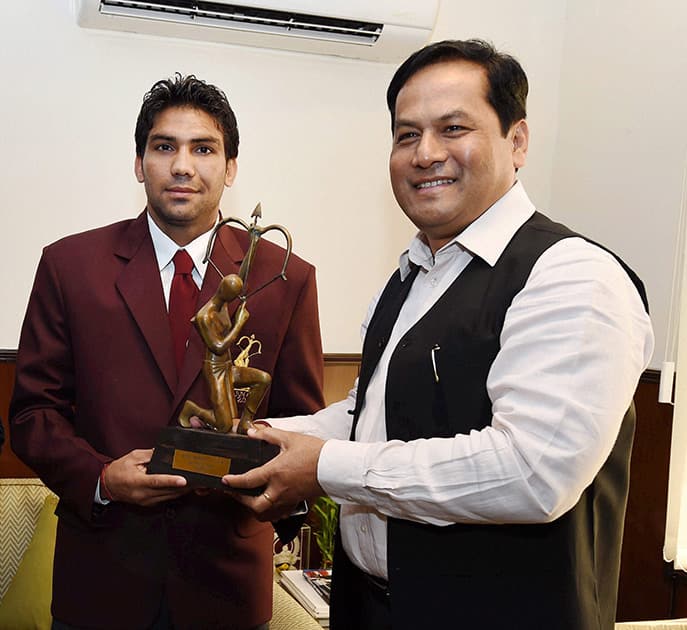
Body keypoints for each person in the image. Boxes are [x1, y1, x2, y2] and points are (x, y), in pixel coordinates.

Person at [224, 40, 654, 629]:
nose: (425, 154)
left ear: (518, 140)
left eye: (453, 128)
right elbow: (370, 411)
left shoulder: (574, 275)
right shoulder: (406, 279)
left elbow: (531, 472)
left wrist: (326, 467)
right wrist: (259, 437)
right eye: (406, 135)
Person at [10, 73, 324, 630]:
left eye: (203, 148)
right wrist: (103, 479)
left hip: (227, 585)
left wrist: (279, 505)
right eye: (164, 147)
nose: (183, 166)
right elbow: (34, 416)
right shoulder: (70, 267)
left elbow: (303, 425)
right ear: (139, 164)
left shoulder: (284, 277)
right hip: (102, 582)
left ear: (229, 168)